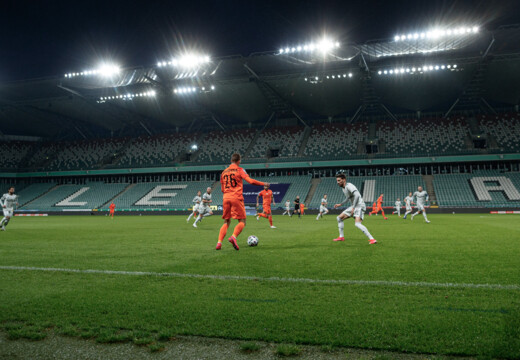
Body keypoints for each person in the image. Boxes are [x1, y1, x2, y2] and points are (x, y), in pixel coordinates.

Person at [216, 153, 267, 250]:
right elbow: (251, 181)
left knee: (226, 221)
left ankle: (219, 243)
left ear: (231, 160)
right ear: (239, 161)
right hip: (236, 197)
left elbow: (222, 189)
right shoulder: (240, 170)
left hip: (225, 197)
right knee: (242, 221)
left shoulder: (223, 172)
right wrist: (263, 183)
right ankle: (233, 237)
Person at [333, 174, 377, 244]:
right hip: (354, 206)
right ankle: (341, 237)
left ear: (344, 180)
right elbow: (348, 197)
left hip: (359, 205)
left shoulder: (349, 185)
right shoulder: (343, 188)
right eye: (337, 181)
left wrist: (353, 207)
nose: (337, 182)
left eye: (339, 180)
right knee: (339, 218)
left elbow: (357, 195)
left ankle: (372, 239)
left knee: (357, 224)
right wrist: (340, 204)